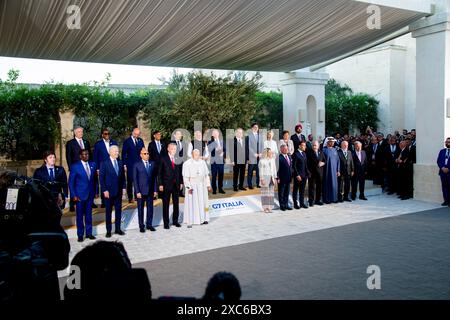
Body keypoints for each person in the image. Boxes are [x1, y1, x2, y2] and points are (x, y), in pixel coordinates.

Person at [69, 149, 98, 242]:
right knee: (80, 216)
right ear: (80, 156)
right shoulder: (75, 166)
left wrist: (96, 191)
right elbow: (71, 182)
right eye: (84, 154)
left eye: (87, 154)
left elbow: (95, 180)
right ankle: (80, 235)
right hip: (79, 196)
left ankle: (89, 233)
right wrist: (73, 195)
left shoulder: (93, 164)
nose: (86, 156)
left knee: (89, 215)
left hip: (90, 195)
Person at [100, 145, 126, 237]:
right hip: (108, 192)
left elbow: (123, 177)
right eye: (115, 151)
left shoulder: (120, 162)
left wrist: (124, 188)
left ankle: (118, 229)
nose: (117, 153)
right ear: (110, 152)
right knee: (108, 212)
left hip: (118, 192)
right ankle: (108, 231)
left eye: (118, 151)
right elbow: (101, 178)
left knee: (118, 211)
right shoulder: (104, 163)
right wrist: (104, 190)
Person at [183, 149, 212, 227]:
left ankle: (205, 218)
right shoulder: (187, 163)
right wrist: (188, 187)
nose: (197, 156)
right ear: (192, 155)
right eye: (196, 154)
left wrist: (208, 185)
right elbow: (185, 178)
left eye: (198, 154)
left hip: (202, 185)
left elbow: (206, 175)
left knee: (204, 202)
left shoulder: (202, 162)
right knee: (193, 203)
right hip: (193, 186)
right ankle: (194, 220)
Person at [66, 126, 91, 212]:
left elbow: (89, 155)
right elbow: (68, 156)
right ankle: (72, 204)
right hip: (76, 168)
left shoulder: (86, 142)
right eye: (79, 132)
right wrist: (70, 168)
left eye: (82, 132)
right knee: (74, 186)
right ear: (75, 133)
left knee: (86, 184)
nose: (81, 133)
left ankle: (90, 202)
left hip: (86, 167)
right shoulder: (70, 143)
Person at [158, 143, 183, 229]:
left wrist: (181, 182)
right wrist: (160, 184)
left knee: (176, 204)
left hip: (176, 185)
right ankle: (166, 223)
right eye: (172, 148)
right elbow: (159, 173)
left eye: (175, 149)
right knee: (166, 204)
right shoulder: (163, 159)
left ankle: (175, 221)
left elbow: (180, 172)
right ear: (168, 149)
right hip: (166, 185)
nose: (174, 150)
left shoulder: (177, 159)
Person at [133, 148, 158, 233]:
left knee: (150, 208)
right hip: (141, 191)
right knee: (140, 209)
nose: (147, 155)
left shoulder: (152, 163)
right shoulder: (137, 165)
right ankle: (141, 226)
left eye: (147, 153)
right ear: (141, 155)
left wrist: (155, 190)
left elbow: (154, 178)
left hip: (150, 191)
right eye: (144, 154)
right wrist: (137, 191)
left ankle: (149, 224)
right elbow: (135, 180)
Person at [93, 128, 118, 208]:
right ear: (102, 135)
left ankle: (113, 201)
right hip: (102, 167)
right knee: (104, 183)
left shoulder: (113, 142)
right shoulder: (98, 144)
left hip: (112, 166)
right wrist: (97, 168)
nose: (107, 135)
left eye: (108, 133)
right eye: (105, 134)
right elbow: (95, 157)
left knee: (112, 182)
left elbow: (117, 154)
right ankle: (104, 202)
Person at [122, 127, 145, 203]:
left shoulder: (140, 141)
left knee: (138, 180)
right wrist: (124, 164)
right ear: (132, 133)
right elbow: (124, 153)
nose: (136, 135)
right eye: (135, 134)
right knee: (130, 181)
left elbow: (143, 150)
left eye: (138, 134)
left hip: (139, 164)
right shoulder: (127, 141)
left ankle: (137, 196)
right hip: (130, 164)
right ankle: (130, 197)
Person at [258, 148, 277, 213]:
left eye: (271, 152)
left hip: (271, 178)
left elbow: (274, 170)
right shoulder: (262, 161)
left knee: (271, 194)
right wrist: (262, 179)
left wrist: (275, 178)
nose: (271, 153)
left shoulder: (272, 160)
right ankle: (265, 208)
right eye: (270, 152)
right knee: (265, 194)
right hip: (265, 178)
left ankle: (270, 207)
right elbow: (261, 171)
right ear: (266, 153)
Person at [292, 141, 310, 209]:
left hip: (304, 175)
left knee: (302, 190)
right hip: (298, 176)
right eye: (303, 145)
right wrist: (297, 175)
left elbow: (305, 165)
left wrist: (307, 173)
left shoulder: (304, 154)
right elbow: (294, 166)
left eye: (305, 146)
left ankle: (302, 203)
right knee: (296, 190)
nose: (305, 147)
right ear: (299, 146)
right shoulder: (295, 154)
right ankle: (295, 204)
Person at [306, 141, 325, 206]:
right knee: (311, 187)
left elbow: (325, 160)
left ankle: (318, 200)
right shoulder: (309, 153)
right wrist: (308, 172)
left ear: (318, 146)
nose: (314, 146)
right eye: (313, 145)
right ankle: (311, 201)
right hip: (312, 173)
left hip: (320, 173)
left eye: (315, 145)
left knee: (319, 187)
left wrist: (323, 163)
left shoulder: (321, 152)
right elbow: (307, 164)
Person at [322, 137, 340, 204]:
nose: (332, 143)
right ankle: (327, 199)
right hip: (327, 171)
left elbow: (338, 160)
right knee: (327, 184)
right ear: (327, 142)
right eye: (331, 141)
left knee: (334, 185)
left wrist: (338, 170)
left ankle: (334, 198)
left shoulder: (335, 150)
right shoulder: (324, 150)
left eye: (333, 142)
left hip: (334, 171)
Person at [208, 129, 226, 194]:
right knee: (214, 176)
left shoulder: (222, 141)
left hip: (221, 162)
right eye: (214, 133)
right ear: (212, 135)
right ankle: (214, 189)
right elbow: (210, 150)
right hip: (214, 162)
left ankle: (220, 189)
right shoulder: (210, 142)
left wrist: (223, 153)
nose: (215, 134)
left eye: (216, 133)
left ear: (218, 134)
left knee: (221, 175)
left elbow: (225, 149)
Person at [246, 123, 263, 189]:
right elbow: (249, 147)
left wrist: (261, 153)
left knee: (258, 171)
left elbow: (262, 145)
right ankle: (250, 185)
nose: (256, 128)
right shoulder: (249, 136)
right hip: (252, 156)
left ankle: (258, 184)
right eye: (255, 127)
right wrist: (254, 154)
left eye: (257, 127)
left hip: (259, 156)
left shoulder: (260, 136)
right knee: (250, 171)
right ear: (252, 128)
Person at [277, 144, 293, 211]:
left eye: (287, 148)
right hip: (281, 178)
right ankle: (282, 205)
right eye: (284, 149)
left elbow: (290, 167)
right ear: (281, 150)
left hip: (288, 178)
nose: (286, 150)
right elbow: (277, 169)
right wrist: (277, 177)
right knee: (281, 193)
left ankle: (286, 205)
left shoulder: (289, 156)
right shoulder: (279, 158)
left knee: (287, 192)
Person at [437, 137, 450, 206]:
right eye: (446, 142)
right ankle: (446, 201)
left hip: (449, 172)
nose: (447, 143)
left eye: (448, 142)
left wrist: (448, 168)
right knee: (444, 187)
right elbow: (438, 161)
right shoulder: (442, 151)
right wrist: (442, 167)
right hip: (442, 172)